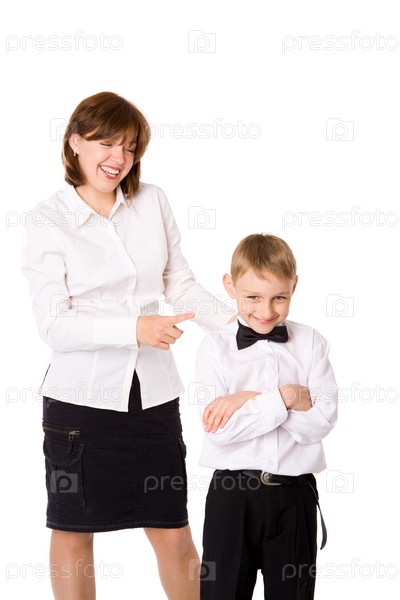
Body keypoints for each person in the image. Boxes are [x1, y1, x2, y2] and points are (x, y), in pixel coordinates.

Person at [21, 91, 233, 600]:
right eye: (106, 143)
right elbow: (54, 324)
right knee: (74, 531)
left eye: (130, 147)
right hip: (80, 402)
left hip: (154, 397)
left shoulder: (152, 201)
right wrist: (134, 328)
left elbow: (180, 285)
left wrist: (242, 328)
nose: (118, 157)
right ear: (75, 142)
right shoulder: (47, 219)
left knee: (173, 530)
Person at [195, 233, 338, 600]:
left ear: (294, 286)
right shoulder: (214, 348)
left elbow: (320, 424)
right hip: (232, 498)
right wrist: (286, 397)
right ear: (230, 287)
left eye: (279, 297)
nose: (266, 310)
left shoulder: (311, 343)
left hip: (294, 496)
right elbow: (219, 431)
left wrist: (246, 401)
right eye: (253, 297)